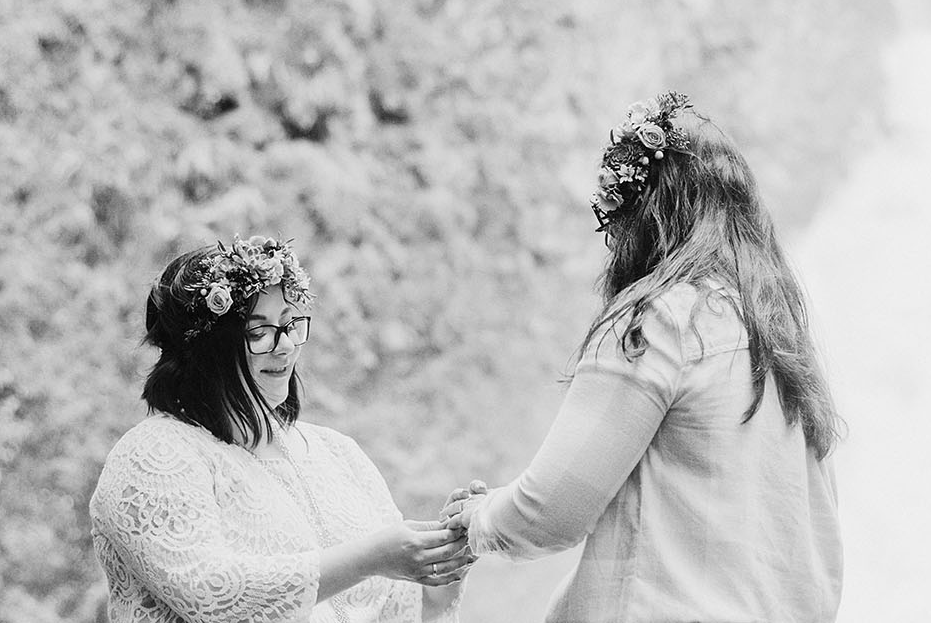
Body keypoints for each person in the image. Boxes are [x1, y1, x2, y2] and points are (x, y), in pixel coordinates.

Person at [443, 91, 844, 622]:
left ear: (644, 218)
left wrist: (475, 521)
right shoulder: (784, 350)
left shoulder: (659, 319)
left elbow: (550, 512)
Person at [89, 235, 471, 623]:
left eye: (290, 324)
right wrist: (371, 557)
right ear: (207, 351)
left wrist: (440, 565)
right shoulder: (154, 453)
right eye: (258, 333)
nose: (285, 345)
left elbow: (393, 608)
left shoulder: (337, 452)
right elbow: (210, 595)